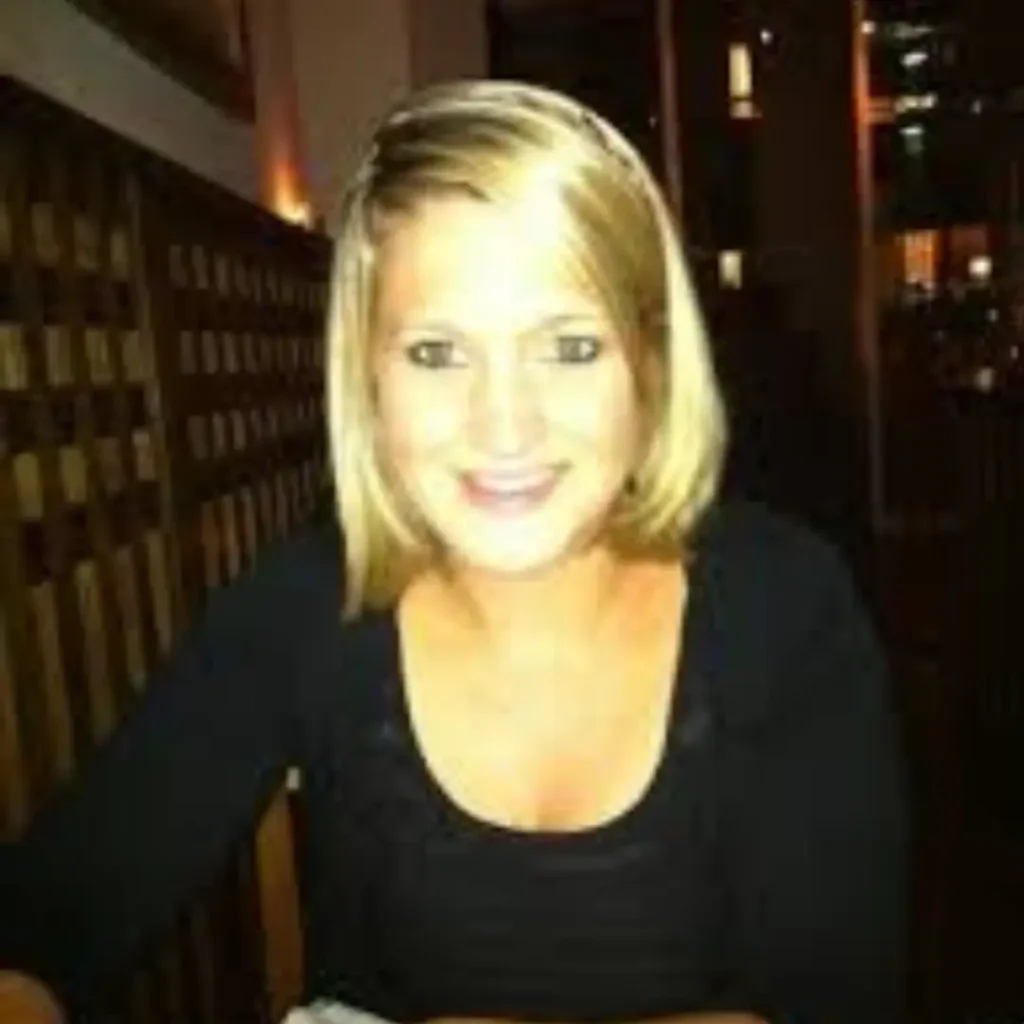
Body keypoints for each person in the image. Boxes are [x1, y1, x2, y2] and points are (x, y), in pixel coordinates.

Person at [1, 80, 907, 1024]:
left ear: (652, 364)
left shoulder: (784, 605)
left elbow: (834, 999)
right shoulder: (304, 603)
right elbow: (49, 922)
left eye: (569, 347)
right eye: (437, 353)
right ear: (368, 380)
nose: (503, 426)